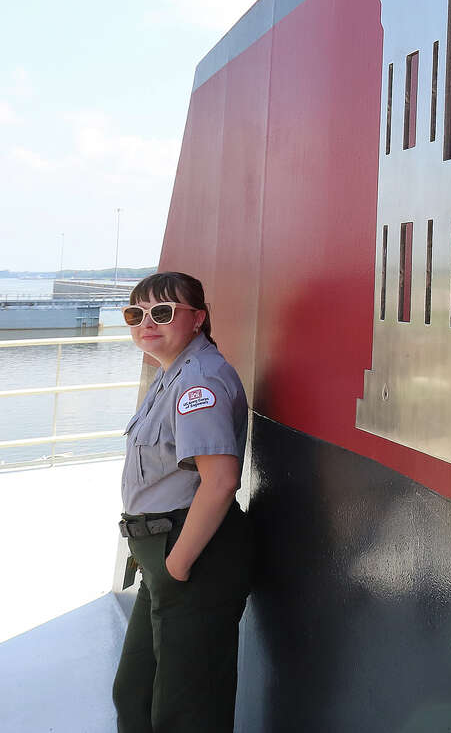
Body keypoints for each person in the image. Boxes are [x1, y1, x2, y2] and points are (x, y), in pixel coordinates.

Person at [112, 271, 252, 733]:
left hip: (190, 556)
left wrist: (175, 566)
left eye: (163, 312)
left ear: (197, 319)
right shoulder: (168, 374)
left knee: (186, 709)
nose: (147, 323)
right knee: (135, 691)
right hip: (161, 555)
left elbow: (220, 482)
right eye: (137, 314)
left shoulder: (199, 382)